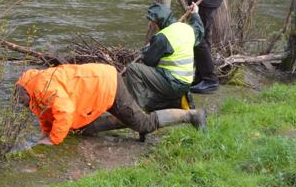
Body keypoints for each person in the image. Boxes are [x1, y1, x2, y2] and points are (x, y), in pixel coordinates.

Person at [14, 63, 206, 146]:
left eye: (23, 102)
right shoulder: (31, 88)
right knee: (84, 129)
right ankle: (132, 116)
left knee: (144, 124)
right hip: (99, 86)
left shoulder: (42, 88)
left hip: (108, 85)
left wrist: (53, 140)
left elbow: (64, 111)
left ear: (25, 93)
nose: (24, 106)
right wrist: (46, 133)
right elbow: (45, 114)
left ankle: (192, 115)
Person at [125, 2, 204, 112]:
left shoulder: (162, 37)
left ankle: (140, 110)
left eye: (152, 22)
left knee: (133, 69)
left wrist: (146, 49)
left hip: (172, 83)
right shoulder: (186, 29)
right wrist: (195, 14)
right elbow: (199, 30)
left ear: (158, 22)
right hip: (186, 83)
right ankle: (177, 101)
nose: (152, 25)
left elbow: (148, 61)